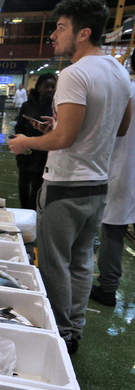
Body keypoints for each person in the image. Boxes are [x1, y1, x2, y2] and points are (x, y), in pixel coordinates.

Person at [8, 0, 132, 355]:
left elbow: (64, 140)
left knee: (53, 263)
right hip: (97, 186)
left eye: (61, 27)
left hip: (65, 185)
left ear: (83, 33)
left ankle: (59, 334)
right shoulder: (119, 71)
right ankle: (73, 328)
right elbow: (120, 127)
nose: (53, 35)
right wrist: (60, 124)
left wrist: (26, 142)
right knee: (80, 262)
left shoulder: (75, 74)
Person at [89, 51, 135, 307]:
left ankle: (108, 288)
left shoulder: (126, 91)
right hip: (125, 173)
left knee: (113, 233)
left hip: (122, 171)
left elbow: (110, 129)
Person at [13, 73, 56, 210]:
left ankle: (32, 212)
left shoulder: (56, 108)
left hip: (44, 155)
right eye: (47, 86)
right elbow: (19, 127)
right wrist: (20, 144)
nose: (50, 90)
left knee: (38, 186)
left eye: (52, 87)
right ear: (39, 87)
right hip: (26, 153)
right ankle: (23, 209)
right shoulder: (27, 106)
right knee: (23, 185)